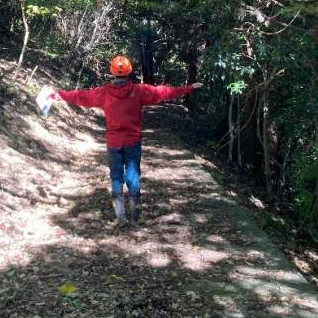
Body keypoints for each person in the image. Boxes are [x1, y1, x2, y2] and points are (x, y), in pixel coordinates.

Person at [50, 55, 203, 228]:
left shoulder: (103, 92)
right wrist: (188, 88)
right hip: (132, 142)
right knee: (133, 177)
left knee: (116, 177)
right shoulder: (139, 91)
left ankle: (120, 217)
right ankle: (136, 217)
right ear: (129, 71)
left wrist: (59, 95)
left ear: (112, 72)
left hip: (113, 143)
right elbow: (163, 92)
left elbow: (81, 96)